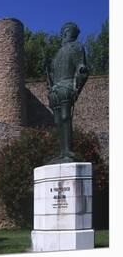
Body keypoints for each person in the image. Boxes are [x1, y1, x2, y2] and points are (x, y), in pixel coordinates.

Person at [45, 22, 88, 163]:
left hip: (67, 86)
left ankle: (68, 150)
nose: (69, 35)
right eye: (70, 32)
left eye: (71, 33)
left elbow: (81, 66)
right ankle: (62, 152)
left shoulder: (76, 47)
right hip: (56, 89)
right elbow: (53, 74)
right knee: (57, 121)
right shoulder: (57, 54)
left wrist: (79, 78)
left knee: (65, 117)